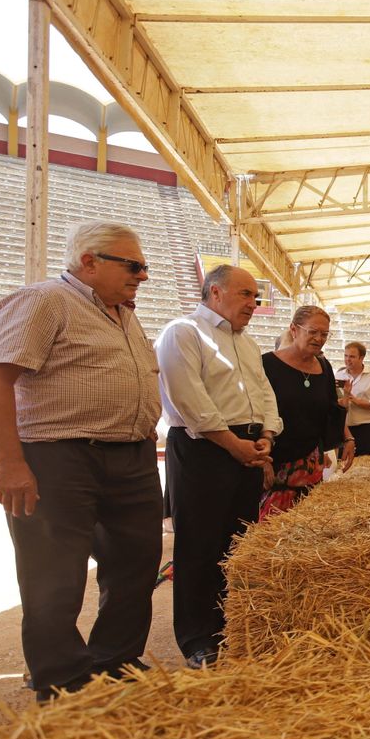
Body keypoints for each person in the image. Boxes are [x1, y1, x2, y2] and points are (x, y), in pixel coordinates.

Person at [0, 222, 163, 701]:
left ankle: (116, 662)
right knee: (54, 572)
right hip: (57, 456)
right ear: (89, 261)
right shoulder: (45, 300)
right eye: (133, 265)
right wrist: (8, 462)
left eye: (144, 266)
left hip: (130, 455)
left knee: (136, 563)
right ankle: (61, 678)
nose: (143, 276)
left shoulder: (123, 313)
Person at [156, 264, 280, 669]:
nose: (253, 303)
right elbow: (189, 400)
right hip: (204, 449)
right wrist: (234, 445)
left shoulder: (247, 343)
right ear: (214, 293)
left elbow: (263, 392)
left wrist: (266, 436)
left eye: (255, 296)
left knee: (237, 543)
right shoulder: (183, 332)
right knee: (198, 546)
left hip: (246, 447)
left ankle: (231, 625)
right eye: (245, 294)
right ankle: (197, 639)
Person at [259, 306, 354, 519]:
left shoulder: (325, 367)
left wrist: (348, 438)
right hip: (275, 462)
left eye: (324, 334)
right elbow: (256, 413)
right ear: (294, 329)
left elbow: (330, 407)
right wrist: (263, 460)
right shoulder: (266, 364)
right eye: (313, 332)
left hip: (310, 464)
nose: (319, 338)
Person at [336, 341, 370, 456]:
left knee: (366, 468)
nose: (347, 359)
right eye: (346, 356)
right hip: (344, 429)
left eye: (352, 356)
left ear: (362, 358)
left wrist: (358, 402)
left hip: (368, 429)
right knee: (342, 465)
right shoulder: (338, 376)